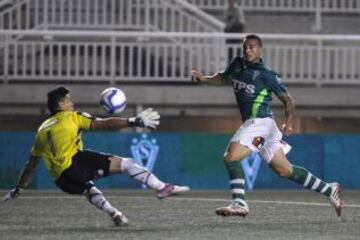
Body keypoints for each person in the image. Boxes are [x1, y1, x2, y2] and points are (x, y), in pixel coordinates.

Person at [191, 34, 343, 218]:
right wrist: (204, 79)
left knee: (231, 157)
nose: (248, 50)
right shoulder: (237, 64)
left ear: (260, 50)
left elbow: (288, 100)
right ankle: (329, 189)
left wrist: (289, 123)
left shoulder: (266, 74)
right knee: (285, 170)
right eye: (245, 47)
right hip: (264, 127)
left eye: (252, 47)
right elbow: (223, 78)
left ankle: (239, 203)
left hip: (260, 122)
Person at [2, 86, 189, 227]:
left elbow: (31, 163)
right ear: (61, 105)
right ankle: (162, 187)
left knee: (89, 189)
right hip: (76, 163)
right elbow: (102, 124)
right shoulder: (71, 117)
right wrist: (134, 121)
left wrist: (19, 187)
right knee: (129, 164)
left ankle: (115, 214)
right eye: (68, 100)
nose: (71, 102)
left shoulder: (42, 130)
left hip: (61, 181)